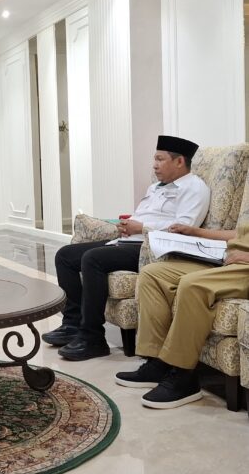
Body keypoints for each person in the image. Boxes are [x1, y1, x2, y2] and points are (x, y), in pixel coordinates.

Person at [46, 135, 211, 361]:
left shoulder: (194, 188)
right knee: (65, 255)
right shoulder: (155, 188)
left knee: (93, 259)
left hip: (152, 248)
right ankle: (72, 324)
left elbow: (183, 229)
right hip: (129, 241)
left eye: (160, 159)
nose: (154, 165)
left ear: (180, 161)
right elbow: (142, 216)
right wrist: (126, 225)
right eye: (154, 159)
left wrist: (141, 228)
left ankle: (93, 338)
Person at [115, 224, 245, 409]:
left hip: (245, 267)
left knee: (192, 285)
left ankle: (185, 377)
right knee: (152, 274)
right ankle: (158, 364)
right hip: (229, 260)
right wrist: (195, 231)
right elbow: (241, 233)